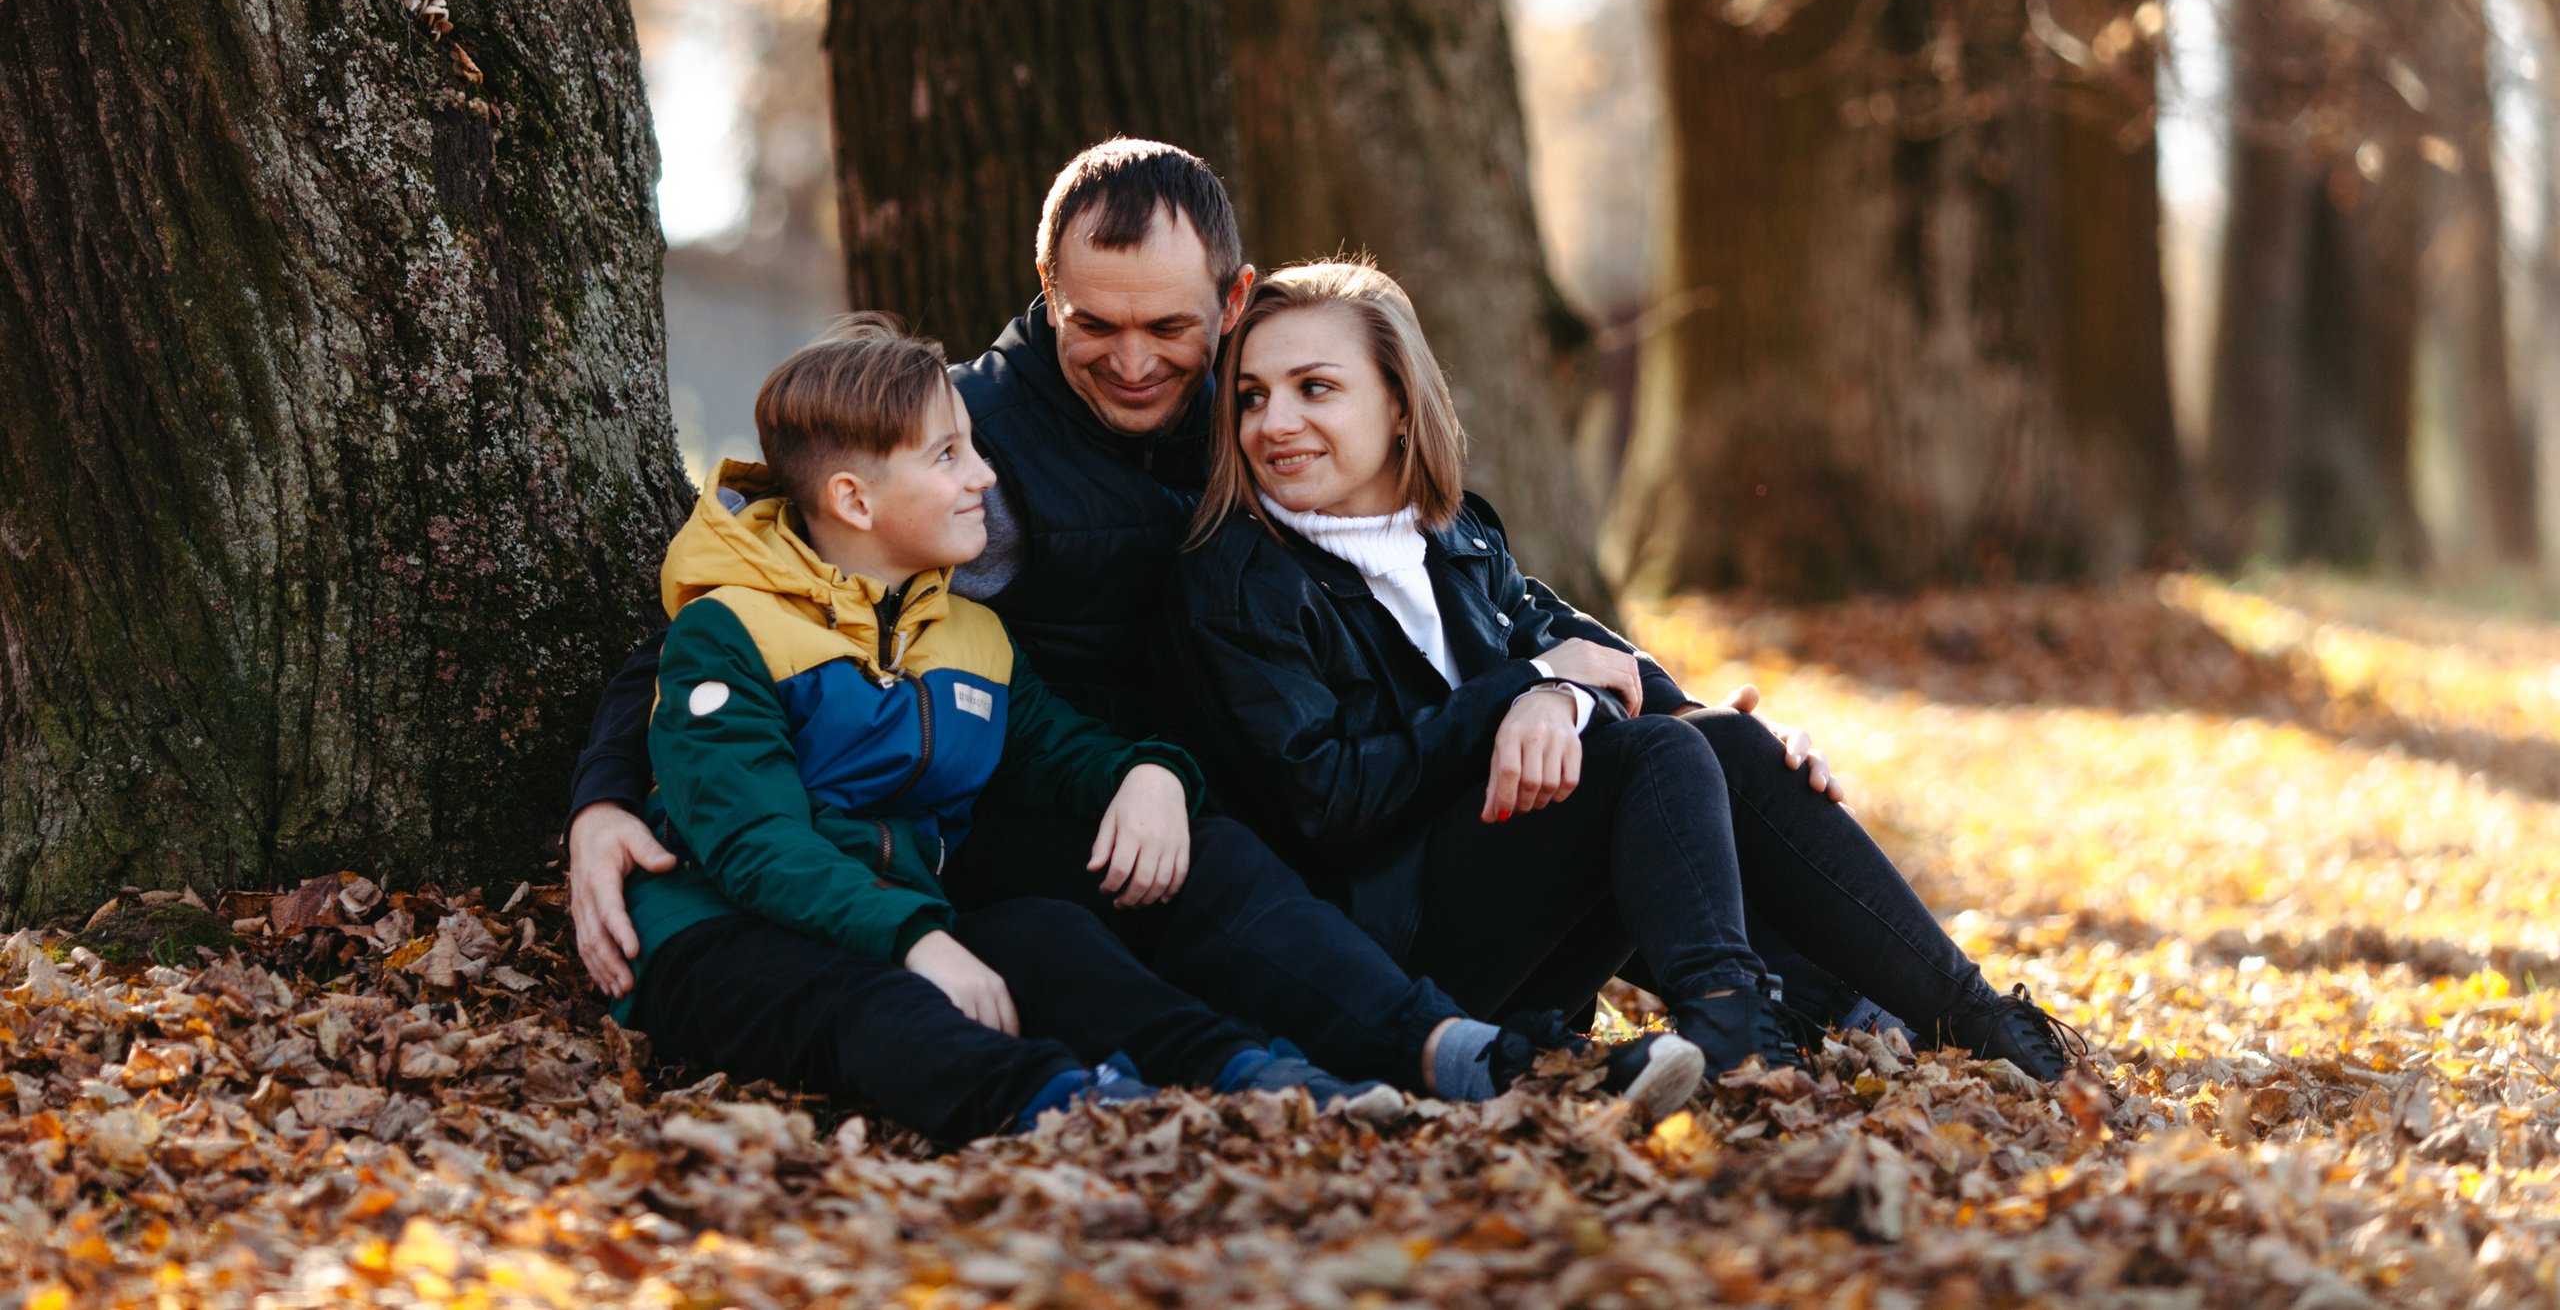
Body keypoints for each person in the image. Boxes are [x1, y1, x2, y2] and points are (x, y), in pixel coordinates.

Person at [571, 141, 1701, 1113]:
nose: (1132, 359)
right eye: (1094, 324)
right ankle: (1398, 1063)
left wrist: (1645, 691)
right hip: (1030, 814)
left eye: (1168, 325)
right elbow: (734, 612)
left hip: (1264, 768)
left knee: (1670, 757)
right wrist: (604, 800)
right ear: (1047, 290)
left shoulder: (1262, 399)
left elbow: (1459, 561)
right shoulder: (970, 448)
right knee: (1175, 885)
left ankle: (1710, 1020)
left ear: (1231, 300)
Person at [1161, 259, 2086, 1081]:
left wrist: (1736, 737)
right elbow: (1327, 801)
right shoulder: (1241, 580)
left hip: (1512, 925)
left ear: (1401, 403)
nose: (1274, 422)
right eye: (1252, 396)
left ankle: (1974, 1017)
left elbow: (1591, 655)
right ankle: (1733, 1023)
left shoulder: (1456, 538)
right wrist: (1522, 692)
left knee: (1711, 740)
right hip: (1387, 965)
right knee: (1653, 755)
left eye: (1315, 388)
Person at [620, 314, 1413, 1142]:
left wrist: (1150, 773)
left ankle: (1256, 1077)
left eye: (973, 446)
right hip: (712, 929)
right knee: (882, 1002)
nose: (985, 476)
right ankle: (1080, 1114)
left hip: (900, 913)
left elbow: (1056, 750)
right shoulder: (728, 631)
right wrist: (917, 939)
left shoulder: (967, 632)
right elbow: (757, 843)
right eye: (948, 455)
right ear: (853, 498)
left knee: (1049, 936)